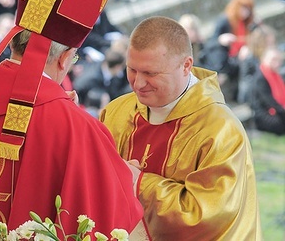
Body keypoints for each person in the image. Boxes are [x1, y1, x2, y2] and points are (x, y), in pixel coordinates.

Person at [0, 0, 143, 240]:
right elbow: (105, 214)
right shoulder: (76, 125)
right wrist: (124, 173)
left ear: (13, 42)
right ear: (65, 58)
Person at [100, 16, 262, 240]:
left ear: (186, 66)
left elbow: (207, 217)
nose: (138, 83)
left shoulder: (220, 130)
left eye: (150, 73)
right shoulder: (116, 112)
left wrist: (139, 182)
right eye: (132, 70)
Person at [202, 0, 256, 102]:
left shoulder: (247, 22)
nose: (246, 12)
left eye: (248, 9)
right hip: (227, 58)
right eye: (243, 8)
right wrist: (220, 40)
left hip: (241, 57)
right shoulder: (224, 21)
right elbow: (210, 44)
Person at [251, 47, 285, 135]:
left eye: (278, 60)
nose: (277, 63)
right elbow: (269, 101)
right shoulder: (260, 78)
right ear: (264, 59)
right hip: (265, 114)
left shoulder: (277, 75)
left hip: (277, 111)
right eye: (273, 60)